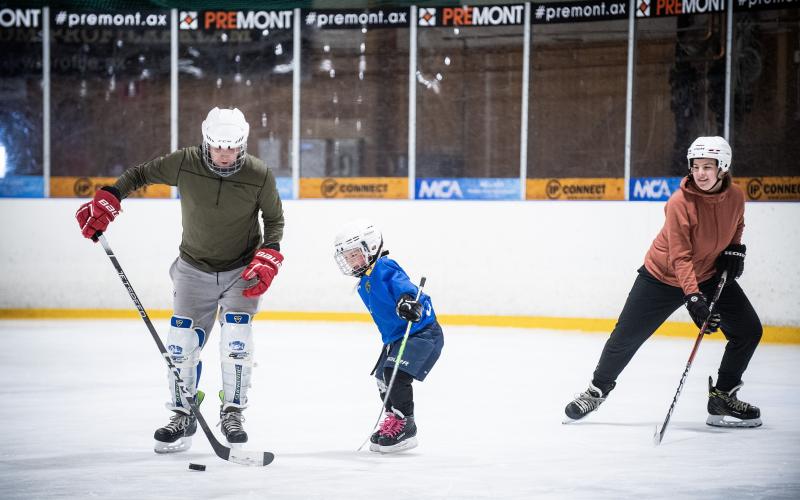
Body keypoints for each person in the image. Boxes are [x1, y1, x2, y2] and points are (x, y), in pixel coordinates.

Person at [75, 107, 285, 452]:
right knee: (180, 345)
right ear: (206, 142)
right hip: (193, 270)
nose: (224, 155)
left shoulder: (259, 174)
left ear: (243, 145)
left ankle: (233, 412)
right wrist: (111, 197)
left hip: (241, 271)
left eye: (232, 148)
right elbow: (140, 174)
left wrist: (269, 253)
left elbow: (275, 220)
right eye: (218, 147)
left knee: (237, 340)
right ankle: (182, 415)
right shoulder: (185, 162)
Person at [564, 136, 762, 428]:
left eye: (709, 166)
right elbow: (680, 257)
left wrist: (735, 248)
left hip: (708, 274)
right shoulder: (680, 203)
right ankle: (596, 391)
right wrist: (694, 298)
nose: (701, 173)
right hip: (662, 277)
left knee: (748, 329)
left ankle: (722, 395)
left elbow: (738, 222)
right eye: (696, 167)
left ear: (723, 167)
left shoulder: (735, 196)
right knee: (625, 338)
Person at [333, 220, 444, 453]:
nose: (351, 261)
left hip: (422, 334)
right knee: (383, 378)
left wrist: (406, 302)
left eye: (355, 255)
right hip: (397, 339)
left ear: (371, 248)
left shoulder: (384, 267)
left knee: (395, 373)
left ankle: (407, 426)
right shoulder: (365, 280)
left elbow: (404, 286)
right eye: (348, 257)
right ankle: (394, 419)